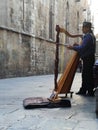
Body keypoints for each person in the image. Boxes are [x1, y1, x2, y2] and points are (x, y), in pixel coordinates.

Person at [66, 21, 96, 96]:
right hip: (89, 58)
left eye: (83, 28)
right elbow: (83, 42)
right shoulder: (89, 36)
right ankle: (85, 89)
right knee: (86, 74)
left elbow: (82, 48)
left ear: (87, 28)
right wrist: (77, 44)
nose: (82, 29)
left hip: (88, 58)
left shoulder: (88, 37)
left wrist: (72, 47)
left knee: (87, 75)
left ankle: (88, 91)